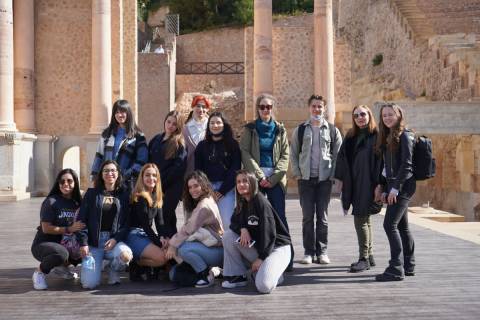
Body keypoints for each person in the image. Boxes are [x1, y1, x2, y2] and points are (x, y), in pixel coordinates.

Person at [239, 93, 293, 269]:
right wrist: (259, 176)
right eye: (262, 107)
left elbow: (285, 154)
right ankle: (260, 256)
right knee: (256, 216)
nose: (265, 110)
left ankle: (287, 257)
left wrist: (274, 177)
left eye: (268, 107)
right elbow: (245, 152)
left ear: (272, 108)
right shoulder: (250, 129)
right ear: (258, 108)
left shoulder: (280, 129)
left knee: (279, 216)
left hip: (276, 178)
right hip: (257, 178)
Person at [290, 94, 342, 265]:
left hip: (324, 180)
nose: (317, 109)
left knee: (322, 217)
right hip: (305, 179)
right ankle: (308, 252)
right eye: (314, 106)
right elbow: (294, 153)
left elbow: (337, 155)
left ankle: (322, 251)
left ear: (324, 108)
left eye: (320, 106)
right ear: (309, 107)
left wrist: (332, 175)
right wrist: (297, 172)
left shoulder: (333, 130)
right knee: (307, 217)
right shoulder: (301, 129)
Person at [222, 170, 291, 294]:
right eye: (238, 182)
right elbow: (233, 222)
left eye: (245, 181)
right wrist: (243, 229)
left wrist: (261, 258)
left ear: (253, 183)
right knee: (228, 236)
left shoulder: (260, 201)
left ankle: (273, 273)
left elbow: (270, 234)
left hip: (277, 248)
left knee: (264, 286)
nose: (241, 184)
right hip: (261, 248)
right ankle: (237, 276)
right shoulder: (242, 201)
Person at [334, 105, 382, 272]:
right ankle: (370, 255)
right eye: (356, 115)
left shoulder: (377, 136)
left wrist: (379, 185)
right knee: (365, 219)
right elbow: (342, 157)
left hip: (369, 183)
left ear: (369, 115)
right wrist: (339, 178)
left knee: (360, 219)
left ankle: (364, 258)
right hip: (354, 183)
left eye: (363, 114)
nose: (360, 117)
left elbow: (381, 163)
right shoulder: (351, 136)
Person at [374, 103, 416, 282]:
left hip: (403, 186)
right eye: (384, 115)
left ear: (399, 115)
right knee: (402, 226)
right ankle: (409, 265)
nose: (387, 118)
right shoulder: (388, 136)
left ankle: (395, 268)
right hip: (394, 185)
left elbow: (407, 166)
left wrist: (395, 189)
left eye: (391, 114)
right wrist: (383, 186)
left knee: (389, 225)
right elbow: (387, 166)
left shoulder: (405, 136)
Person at [78, 160, 133, 289]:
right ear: (101, 175)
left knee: (126, 255)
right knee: (89, 284)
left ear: (118, 174)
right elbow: (82, 220)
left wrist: (116, 239)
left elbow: (126, 223)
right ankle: (95, 267)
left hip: (113, 240)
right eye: (106, 170)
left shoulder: (124, 195)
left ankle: (112, 269)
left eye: (113, 170)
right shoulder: (92, 194)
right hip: (94, 243)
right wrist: (84, 243)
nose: (110, 173)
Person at [165, 171, 224, 288]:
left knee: (182, 249)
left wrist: (172, 245)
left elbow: (188, 229)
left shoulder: (203, 206)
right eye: (190, 187)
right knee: (174, 274)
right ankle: (212, 270)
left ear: (204, 185)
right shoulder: (205, 199)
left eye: (196, 186)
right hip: (211, 247)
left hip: (218, 251)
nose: (192, 190)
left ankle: (205, 276)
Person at [31, 169, 85, 290]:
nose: (66, 184)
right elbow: (46, 228)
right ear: (58, 183)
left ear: (75, 183)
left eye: (69, 181)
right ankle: (39, 272)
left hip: (65, 243)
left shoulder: (77, 203)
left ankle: (61, 268)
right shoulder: (51, 201)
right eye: (62, 181)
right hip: (44, 244)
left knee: (86, 248)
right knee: (61, 253)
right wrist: (68, 228)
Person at [195, 111, 241, 229]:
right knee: (206, 225)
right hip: (207, 189)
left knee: (226, 223)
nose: (215, 126)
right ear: (208, 126)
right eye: (212, 123)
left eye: (218, 123)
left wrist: (222, 191)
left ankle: (227, 247)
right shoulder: (201, 146)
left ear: (224, 125)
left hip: (226, 190)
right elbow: (198, 170)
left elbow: (235, 169)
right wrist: (207, 190)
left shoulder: (233, 145)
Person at [126, 163, 170, 281]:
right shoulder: (140, 197)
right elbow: (145, 225)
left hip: (146, 234)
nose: (151, 178)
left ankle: (140, 266)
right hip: (134, 234)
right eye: (147, 175)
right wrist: (159, 242)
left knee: (167, 252)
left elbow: (160, 222)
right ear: (142, 177)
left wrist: (163, 237)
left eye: (154, 175)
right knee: (162, 257)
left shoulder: (157, 195)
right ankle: (136, 263)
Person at [91, 99, 148, 189]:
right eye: (116, 112)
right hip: (106, 181)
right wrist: (94, 177)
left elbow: (142, 160)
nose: (119, 115)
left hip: (127, 183)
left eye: (122, 112)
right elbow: (99, 156)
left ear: (128, 113)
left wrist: (126, 174)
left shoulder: (138, 136)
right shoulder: (107, 134)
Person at [148, 110, 187, 236]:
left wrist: (161, 183)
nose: (170, 125)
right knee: (165, 218)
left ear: (178, 126)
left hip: (171, 187)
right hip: (155, 185)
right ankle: (170, 245)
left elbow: (178, 168)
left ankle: (168, 243)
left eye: (174, 124)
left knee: (164, 215)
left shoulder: (179, 143)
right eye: (168, 122)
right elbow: (149, 162)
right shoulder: (156, 139)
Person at [183, 95, 210, 176]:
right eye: (198, 106)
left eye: (204, 107)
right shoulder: (185, 129)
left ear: (208, 109)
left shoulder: (213, 127)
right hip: (190, 172)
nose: (201, 109)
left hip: (208, 173)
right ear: (192, 107)